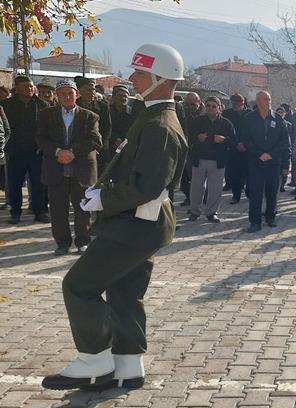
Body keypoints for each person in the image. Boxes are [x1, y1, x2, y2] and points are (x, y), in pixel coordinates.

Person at [41, 43, 189, 390]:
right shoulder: (153, 116)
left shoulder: (159, 124)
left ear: (159, 79)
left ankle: (95, 360)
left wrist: (102, 199)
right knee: (124, 292)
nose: (132, 77)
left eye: (139, 72)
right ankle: (128, 368)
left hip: (135, 223)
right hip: (139, 222)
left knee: (79, 286)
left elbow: (147, 185)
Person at [36, 79, 102, 255]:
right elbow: (41, 139)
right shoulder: (45, 115)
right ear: (57, 96)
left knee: (83, 208)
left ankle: (83, 241)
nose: (66, 96)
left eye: (70, 93)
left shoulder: (90, 116)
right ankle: (62, 243)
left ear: (77, 94)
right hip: (56, 167)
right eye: (62, 93)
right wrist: (58, 152)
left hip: (81, 169)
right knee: (58, 209)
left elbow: (95, 141)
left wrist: (72, 152)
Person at [2, 76, 51, 224]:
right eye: (25, 87)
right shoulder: (6, 105)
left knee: (39, 184)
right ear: (16, 88)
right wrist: (7, 147)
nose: (29, 89)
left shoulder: (42, 105)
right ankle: (15, 213)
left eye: (31, 86)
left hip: (37, 152)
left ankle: (40, 212)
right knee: (14, 184)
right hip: (15, 152)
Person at [241, 90, 291, 232]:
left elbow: (284, 142)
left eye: (269, 99)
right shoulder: (249, 118)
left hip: (273, 162)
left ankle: (270, 217)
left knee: (272, 191)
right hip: (256, 162)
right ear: (258, 101)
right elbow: (246, 140)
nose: (268, 102)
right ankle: (255, 222)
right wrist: (259, 154)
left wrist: (271, 154)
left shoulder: (278, 119)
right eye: (264, 99)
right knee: (255, 192)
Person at [188, 96, 235, 223]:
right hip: (200, 159)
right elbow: (189, 137)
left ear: (219, 108)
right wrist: (198, 138)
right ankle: (194, 211)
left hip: (217, 161)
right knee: (196, 188)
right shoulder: (197, 121)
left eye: (214, 106)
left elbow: (234, 141)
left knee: (215, 189)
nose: (210, 108)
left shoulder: (226, 123)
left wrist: (224, 140)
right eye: (208, 105)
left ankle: (211, 212)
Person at [75, 77, 112, 172]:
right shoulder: (74, 106)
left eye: (93, 89)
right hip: (78, 149)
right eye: (89, 90)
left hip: (99, 149)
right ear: (80, 91)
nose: (92, 92)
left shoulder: (103, 107)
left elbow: (107, 128)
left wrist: (99, 146)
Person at [222, 94, 251, 204]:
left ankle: (249, 193)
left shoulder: (250, 114)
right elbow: (226, 131)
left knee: (249, 173)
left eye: (237, 102)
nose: (235, 105)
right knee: (235, 174)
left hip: (248, 148)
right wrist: (236, 143)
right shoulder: (227, 114)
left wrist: (245, 144)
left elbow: (253, 132)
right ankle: (236, 195)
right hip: (233, 148)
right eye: (233, 102)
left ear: (243, 103)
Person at [108, 85, 143, 154]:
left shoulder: (133, 113)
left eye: (125, 96)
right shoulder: (107, 111)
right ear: (113, 97)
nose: (123, 98)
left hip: (127, 147)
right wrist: (115, 139)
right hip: (109, 146)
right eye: (120, 96)